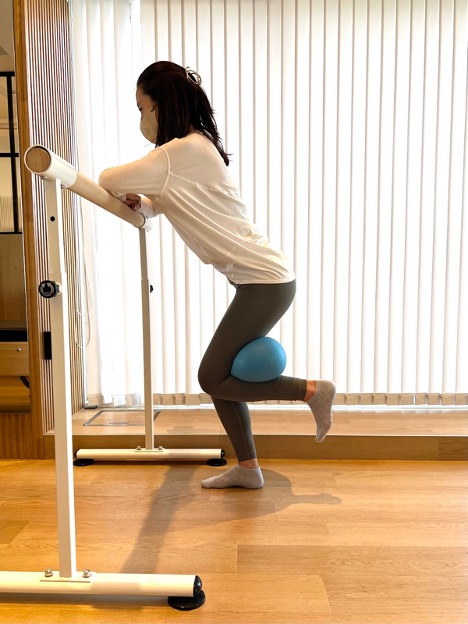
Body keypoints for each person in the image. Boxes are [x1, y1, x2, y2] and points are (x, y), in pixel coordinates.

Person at [98, 61, 336, 489]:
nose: (141, 119)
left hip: (265, 281)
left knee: (212, 377)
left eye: (142, 108)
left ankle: (312, 391)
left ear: (162, 106)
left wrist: (131, 191)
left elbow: (107, 178)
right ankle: (248, 468)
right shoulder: (193, 149)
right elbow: (170, 202)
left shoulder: (179, 152)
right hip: (261, 279)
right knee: (223, 377)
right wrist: (144, 204)